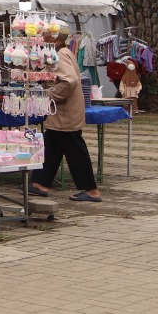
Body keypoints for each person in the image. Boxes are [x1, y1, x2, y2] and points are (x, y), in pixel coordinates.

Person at [30, 27, 100, 202]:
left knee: (75, 149)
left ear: (54, 38)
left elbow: (70, 81)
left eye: (43, 35)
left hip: (65, 111)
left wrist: (49, 95)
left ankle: (90, 190)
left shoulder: (59, 55)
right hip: (62, 112)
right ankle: (40, 183)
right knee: (52, 145)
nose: (40, 38)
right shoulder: (61, 52)